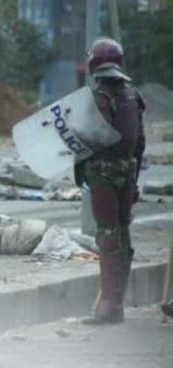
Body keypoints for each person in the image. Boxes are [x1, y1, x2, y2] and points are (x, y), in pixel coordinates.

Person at [80, 38, 145, 325]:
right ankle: (117, 302)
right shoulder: (133, 95)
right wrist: (135, 180)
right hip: (128, 172)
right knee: (123, 235)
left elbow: (93, 139)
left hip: (104, 173)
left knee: (107, 237)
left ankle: (108, 306)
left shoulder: (100, 97)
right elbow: (140, 144)